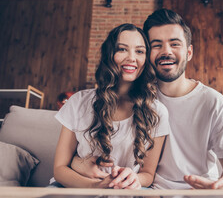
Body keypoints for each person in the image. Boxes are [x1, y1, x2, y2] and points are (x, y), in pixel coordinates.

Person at [72, 9, 223, 190]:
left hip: (200, 193)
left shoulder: (214, 102)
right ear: (146, 54)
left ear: (189, 52)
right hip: (148, 194)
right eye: (156, 45)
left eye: (175, 44)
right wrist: (77, 163)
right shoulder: (134, 97)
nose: (166, 52)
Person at [52, 23, 169, 189]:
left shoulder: (157, 111)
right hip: (75, 188)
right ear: (109, 54)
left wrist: (134, 179)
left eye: (140, 51)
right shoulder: (78, 102)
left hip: (125, 191)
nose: (131, 57)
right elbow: (59, 169)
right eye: (122, 49)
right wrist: (95, 186)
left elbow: (148, 175)